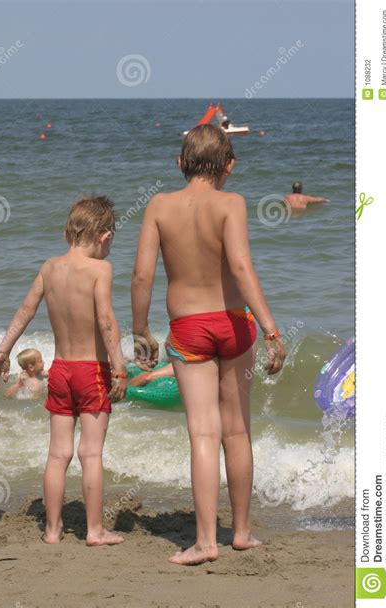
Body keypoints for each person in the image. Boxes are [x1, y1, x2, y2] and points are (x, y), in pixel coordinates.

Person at [131, 124, 286, 565]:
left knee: (203, 432)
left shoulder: (159, 206)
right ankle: (241, 532)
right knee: (236, 431)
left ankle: (204, 542)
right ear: (230, 166)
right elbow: (241, 267)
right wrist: (271, 330)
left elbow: (142, 274)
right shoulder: (232, 203)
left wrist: (141, 330)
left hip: (189, 327)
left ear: (179, 164)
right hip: (235, 324)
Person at [0, 196, 127, 547]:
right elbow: (106, 321)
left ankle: (52, 530)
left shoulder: (49, 268)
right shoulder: (100, 270)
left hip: (60, 370)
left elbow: (25, 310)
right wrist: (120, 368)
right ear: (104, 236)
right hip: (92, 370)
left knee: (57, 453)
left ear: (68, 233)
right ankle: (94, 531)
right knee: (90, 453)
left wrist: (3, 352)